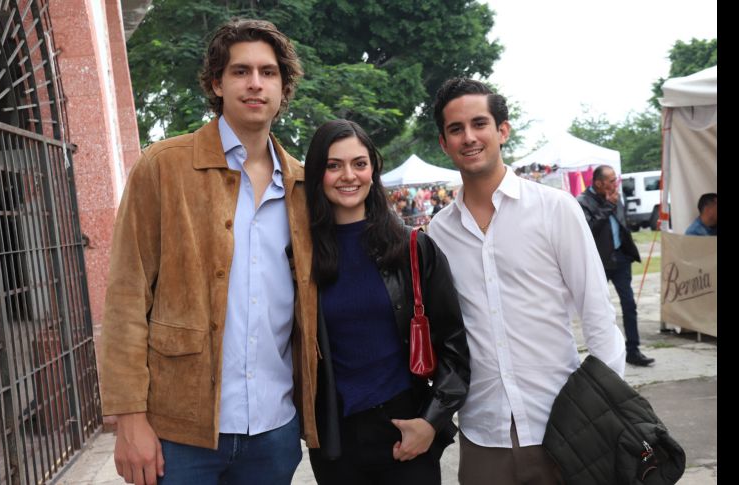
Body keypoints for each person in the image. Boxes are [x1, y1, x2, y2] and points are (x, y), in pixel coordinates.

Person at [98, 19, 320, 485]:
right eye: (240, 71)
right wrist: (128, 419)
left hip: (274, 430)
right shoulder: (164, 167)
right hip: (179, 433)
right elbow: (125, 297)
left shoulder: (303, 184)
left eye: (269, 72)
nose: (255, 83)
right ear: (217, 83)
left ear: (284, 86)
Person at [426, 77, 626, 485]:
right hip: (484, 434)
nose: (469, 137)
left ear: (502, 130)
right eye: (455, 129)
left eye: (479, 123)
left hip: (563, 424)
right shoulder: (438, 232)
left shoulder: (555, 210)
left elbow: (598, 316)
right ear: (443, 143)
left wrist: (603, 410)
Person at [303, 119, 470, 485]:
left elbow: (455, 349)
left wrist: (430, 422)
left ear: (373, 170)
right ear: (318, 174)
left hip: (404, 428)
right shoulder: (300, 257)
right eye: (334, 165)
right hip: (337, 438)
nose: (348, 175)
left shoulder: (413, 247)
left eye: (359, 163)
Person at [577, 165, 655, 367]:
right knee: (598, 310)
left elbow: (622, 224)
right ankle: (601, 356)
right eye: (611, 181)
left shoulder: (615, 197)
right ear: (598, 183)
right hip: (599, 262)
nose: (615, 184)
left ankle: (633, 350)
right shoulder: (582, 202)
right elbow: (589, 230)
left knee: (629, 304)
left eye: (615, 180)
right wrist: (607, 206)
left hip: (620, 259)